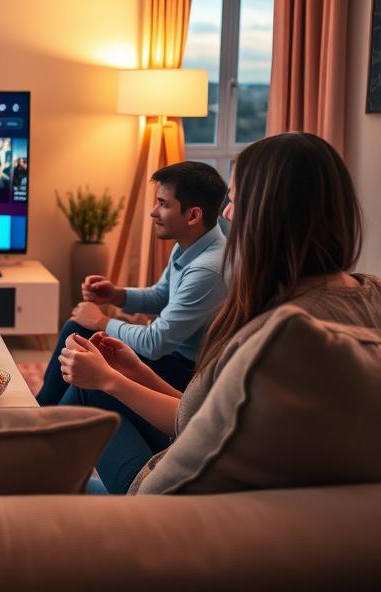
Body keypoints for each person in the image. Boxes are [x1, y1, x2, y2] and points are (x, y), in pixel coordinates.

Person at [59, 133, 381, 494]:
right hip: (232, 480)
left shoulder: (275, 332)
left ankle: (40, 471)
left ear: (265, 214)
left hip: (160, 496)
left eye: (234, 199)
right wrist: (137, 371)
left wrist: (107, 379)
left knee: (84, 403)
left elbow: (188, 428)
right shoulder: (372, 296)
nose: (226, 213)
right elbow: (206, 412)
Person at [37, 161, 228, 410]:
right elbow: (161, 295)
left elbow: (156, 342)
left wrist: (101, 322)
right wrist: (116, 295)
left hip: (184, 372)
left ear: (193, 215)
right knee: (80, 331)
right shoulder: (191, 245)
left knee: (86, 336)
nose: (153, 212)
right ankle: (46, 410)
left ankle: (48, 415)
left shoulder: (206, 269)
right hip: (172, 356)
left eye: (163, 204)